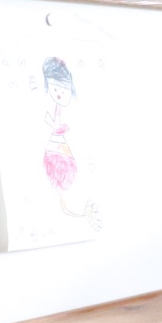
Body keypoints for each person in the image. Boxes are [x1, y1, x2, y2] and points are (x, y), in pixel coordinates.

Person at [41, 56, 98, 227]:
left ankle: (81, 211)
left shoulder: (71, 112)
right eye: (54, 88)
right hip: (56, 153)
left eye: (63, 88)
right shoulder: (58, 108)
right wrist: (55, 125)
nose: (59, 93)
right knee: (63, 193)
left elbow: (63, 127)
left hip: (61, 153)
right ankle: (79, 211)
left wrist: (56, 126)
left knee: (66, 192)